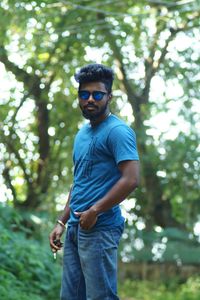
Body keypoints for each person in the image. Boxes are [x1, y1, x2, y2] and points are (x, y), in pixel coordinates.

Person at [49, 63, 140, 300]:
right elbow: (79, 182)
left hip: (100, 227)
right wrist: (62, 221)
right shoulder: (82, 134)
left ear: (109, 96)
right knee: (70, 297)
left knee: (101, 297)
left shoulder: (118, 131)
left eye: (97, 94)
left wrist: (96, 210)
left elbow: (131, 179)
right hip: (76, 229)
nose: (90, 99)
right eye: (84, 94)